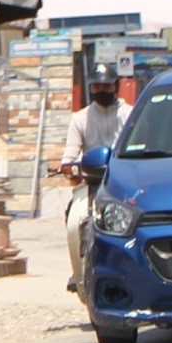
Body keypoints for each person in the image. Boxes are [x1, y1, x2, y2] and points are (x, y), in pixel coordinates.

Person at [64, 76, 126, 297]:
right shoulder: (80, 118)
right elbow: (70, 153)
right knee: (73, 217)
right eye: (96, 86)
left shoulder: (129, 114)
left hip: (125, 180)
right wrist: (66, 164)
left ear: (116, 86)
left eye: (106, 85)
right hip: (91, 180)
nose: (101, 90)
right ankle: (78, 269)